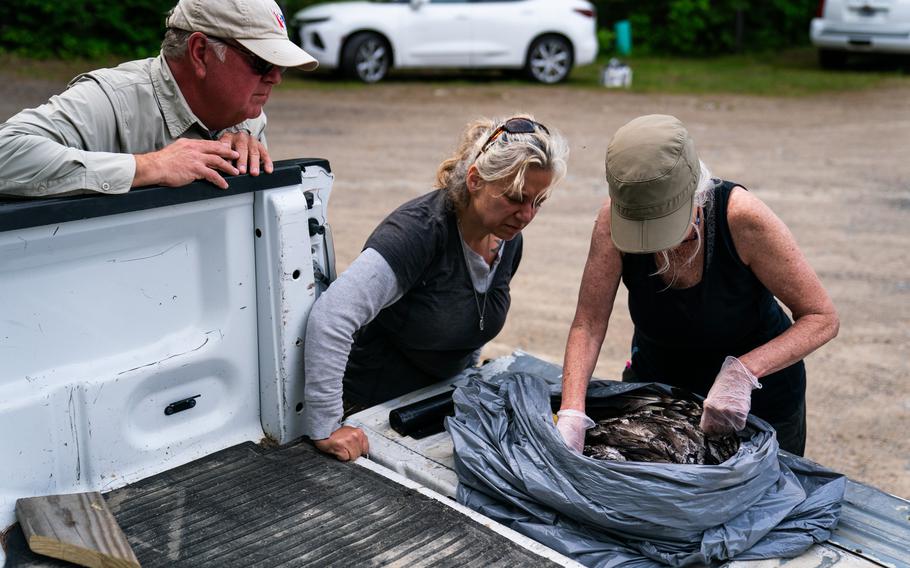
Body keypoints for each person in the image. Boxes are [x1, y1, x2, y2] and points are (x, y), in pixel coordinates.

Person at [557, 114, 838, 456]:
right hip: (660, 393)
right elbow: (588, 324)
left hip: (759, 401)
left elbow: (821, 317)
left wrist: (743, 373)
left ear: (696, 192)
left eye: (666, 227)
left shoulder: (743, 220)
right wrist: (572, 411)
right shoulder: (611, 222)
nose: (659, 245)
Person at [304, 115, 569, 461]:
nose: (527, 215)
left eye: (538, 202)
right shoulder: (418, 233)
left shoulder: (507, 239)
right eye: (516, 197)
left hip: (435, 403)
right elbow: (331, 317)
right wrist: (326, 426)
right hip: (370, 411)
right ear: (475, 180)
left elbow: (475, 314)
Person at [0, 0, 317, 198]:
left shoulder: (248, 119)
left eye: (280, 65)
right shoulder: (113, 100)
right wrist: (149, 166)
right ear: (200, 53)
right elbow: (6, 154)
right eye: (262, 63)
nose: (275, 77)